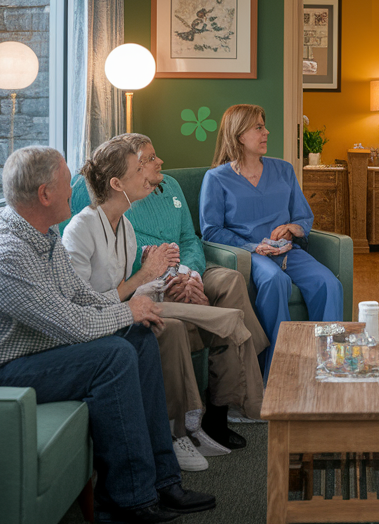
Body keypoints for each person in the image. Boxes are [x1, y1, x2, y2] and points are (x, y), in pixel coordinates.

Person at [0, 146, 214, 524]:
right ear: (44, 194)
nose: (75, 189)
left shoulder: (42, 235)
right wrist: (128, 308)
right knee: (114, 354)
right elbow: (72, 325)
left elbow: (80, 296)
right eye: (65, 182)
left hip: (29, 351)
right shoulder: (5, 253)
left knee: (137, 339)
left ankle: (162, 480)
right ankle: (127, 501)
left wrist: (131, 313)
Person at [63, 134, 262, 472]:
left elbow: (188, 240)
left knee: (226, 294)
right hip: (122, 304)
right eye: (145, 162)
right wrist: (157, 277)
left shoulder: (140, 211)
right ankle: (185, 428)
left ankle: (220, 410)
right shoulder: (87, 220)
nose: (156, 165)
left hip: (160, 283)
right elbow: (93, 298)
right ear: (120, 179)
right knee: (187, 326)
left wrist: (186, 277)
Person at [199, 104, 343, 376]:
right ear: (240, 135)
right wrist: (254, 247)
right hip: (250, 255)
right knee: (276, 282)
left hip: (289, 251)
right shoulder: (216, 179)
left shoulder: (284, 170)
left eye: (264, 126)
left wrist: (292, 228)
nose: (267, 132)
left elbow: (304, 217)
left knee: (329, 284)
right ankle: (279, 372)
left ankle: (330, 366)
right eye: (259, 128)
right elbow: (212, 231)